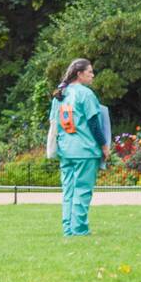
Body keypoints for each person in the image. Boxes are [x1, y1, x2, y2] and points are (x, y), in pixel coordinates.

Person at [47, 58, 109, 236]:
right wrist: (104, 145)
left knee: (69, 191)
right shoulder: (86, 94)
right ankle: (79, 229)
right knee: (82, 190)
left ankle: (68, 229)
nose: (92, 75)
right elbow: (94, 124)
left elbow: (54, 124)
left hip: (65, 150)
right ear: (79, 74)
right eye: (90, 72)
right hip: (85, 150)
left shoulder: (60, 94)